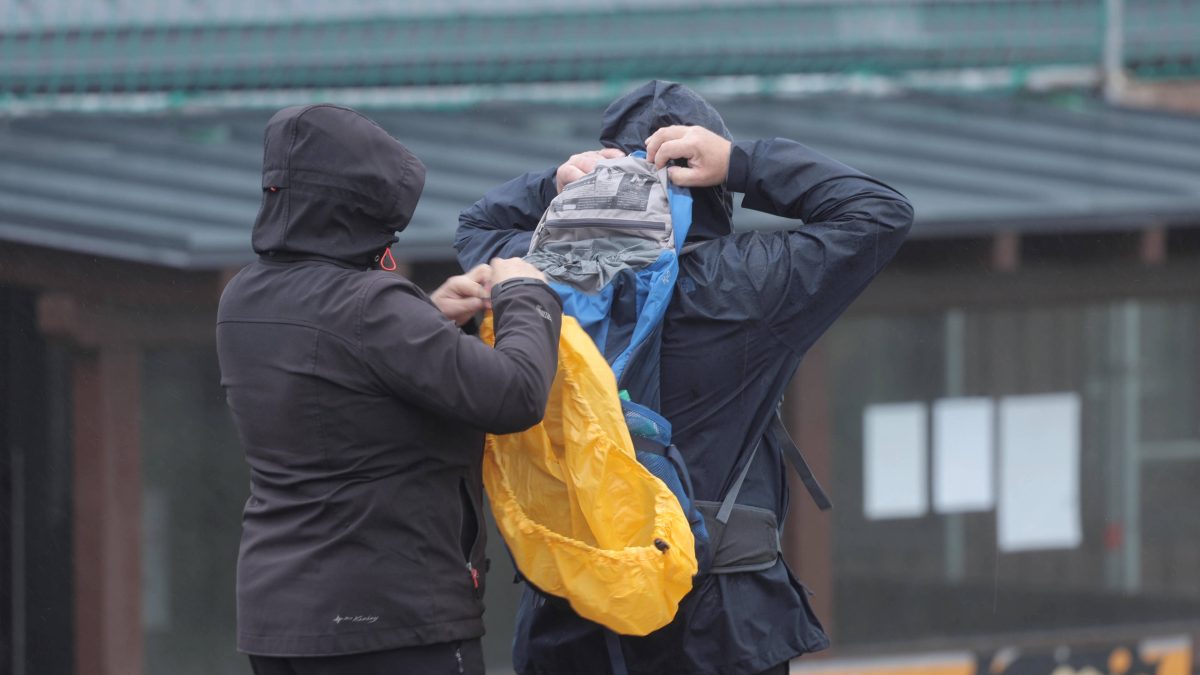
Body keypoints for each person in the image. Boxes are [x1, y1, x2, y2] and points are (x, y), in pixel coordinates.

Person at [455, 80, 914, 675]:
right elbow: (878, 212)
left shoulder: (535, 278)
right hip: (719, 618)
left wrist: (557, 184)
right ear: (708, 178)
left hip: (579, 607)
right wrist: (744, 163)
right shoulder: (748, 281)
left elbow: (476, 224)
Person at [216, 104, 563, 675]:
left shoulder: (245, 298)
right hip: (390, 622)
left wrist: (427, 316)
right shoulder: (372, 307)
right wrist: (527, 295)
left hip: (279, 622)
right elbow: (515, 395)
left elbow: (341, 372)